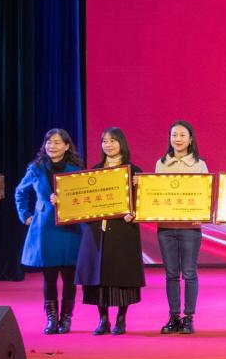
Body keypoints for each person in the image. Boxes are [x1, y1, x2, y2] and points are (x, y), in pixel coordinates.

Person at [75, 127, 145, 336]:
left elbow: (144, 202)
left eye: (113, 140)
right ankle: (103, 319)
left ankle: (121, 319)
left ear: (121, 143)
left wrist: (135, 209)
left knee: (123, 276)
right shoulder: (94, 172)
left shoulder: (135, 171)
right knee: (98, 276)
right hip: (98, 232)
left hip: (123, 231)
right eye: (104, 141)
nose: (108, 145)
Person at [15, 129, 85, 334]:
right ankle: (52, 319)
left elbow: (85, 196)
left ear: (66, 146)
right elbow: (20, 192)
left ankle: (66, 318)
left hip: (70, 227)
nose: (51, 146)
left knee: (70, 276)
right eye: (48, 142)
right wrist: (25, 215)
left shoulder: (77, 169)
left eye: (57, 142)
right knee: (50, 275)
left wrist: (67, 201)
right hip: (45, 226)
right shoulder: (35, 168)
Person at [155, 120, 209, 335]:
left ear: (190, 139)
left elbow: (205, 195)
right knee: (170, 274)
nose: (177, 139)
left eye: (182, 135)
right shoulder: (161, 164)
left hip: (190, 227)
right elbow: (154, 194)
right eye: (174, 135)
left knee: (189, 272)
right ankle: (173, 316)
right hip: (166, 227)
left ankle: (188, 317)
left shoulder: (199, 165)